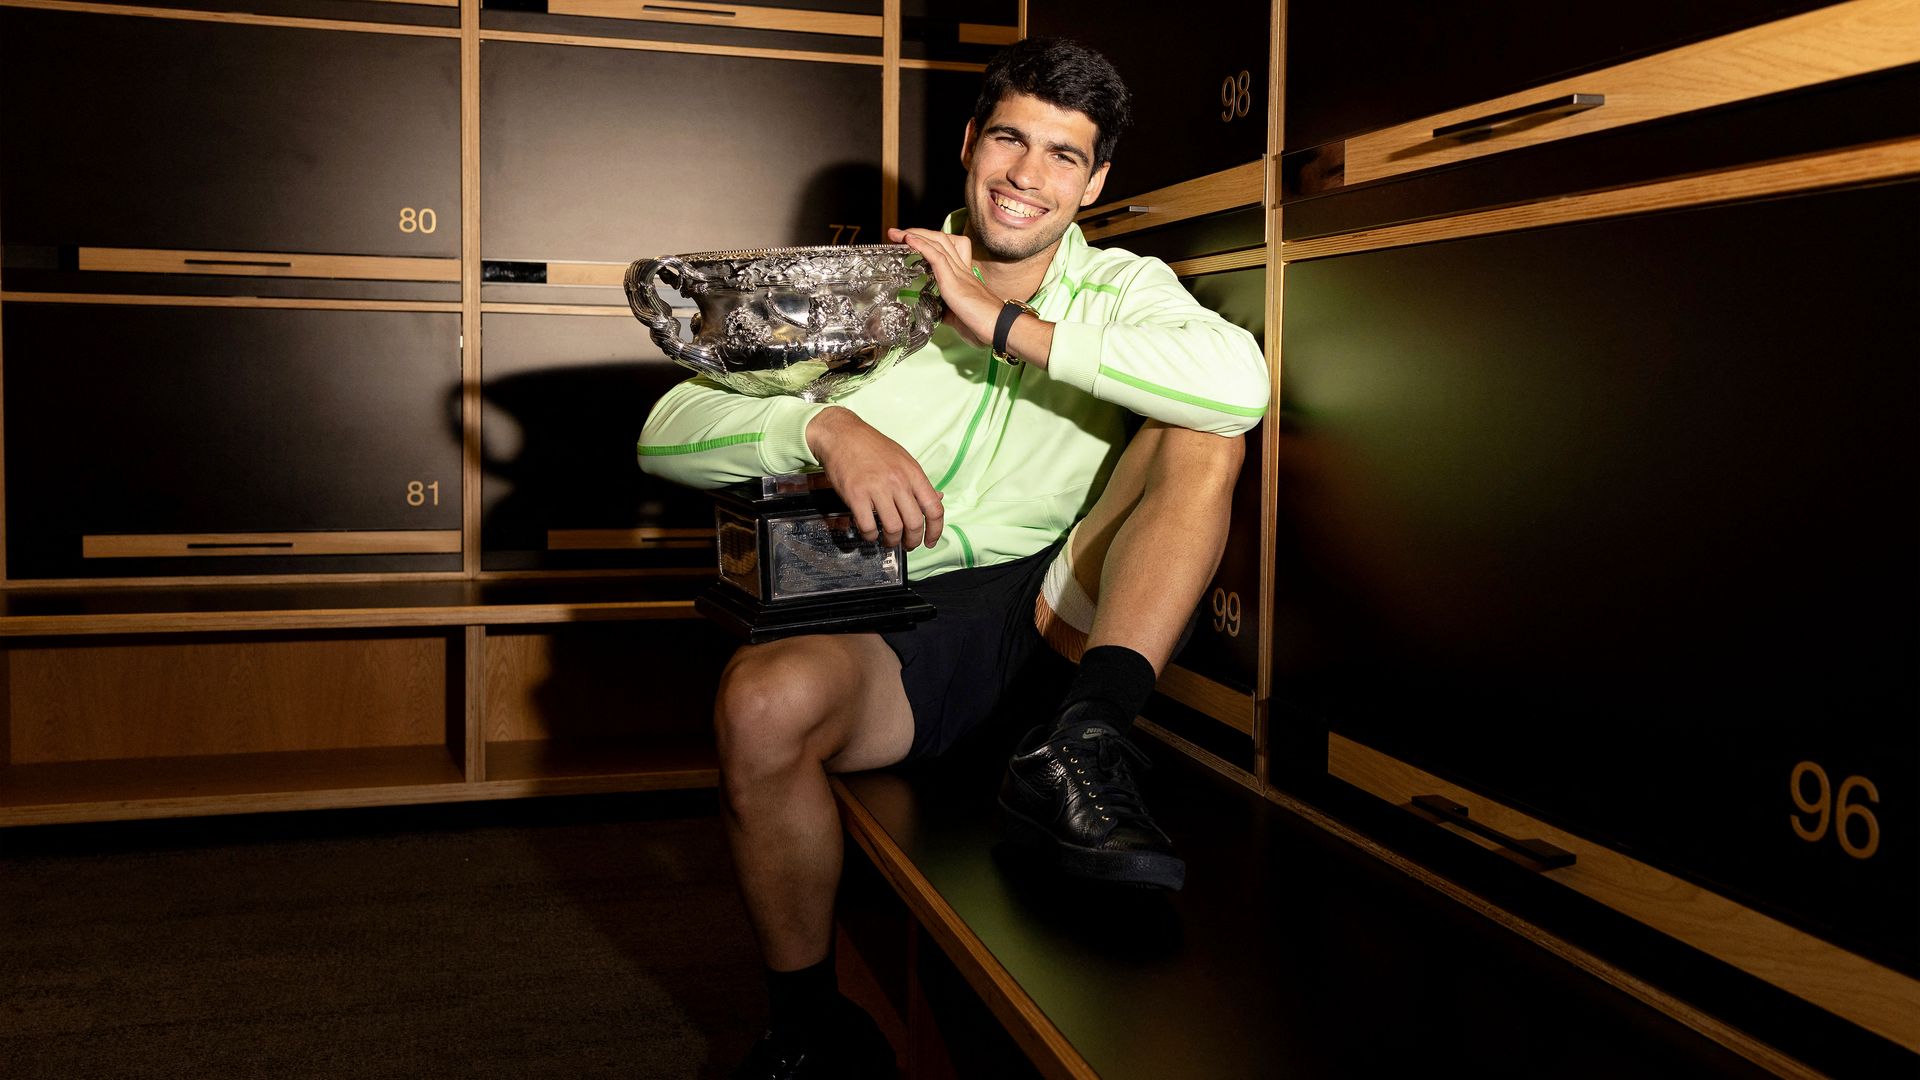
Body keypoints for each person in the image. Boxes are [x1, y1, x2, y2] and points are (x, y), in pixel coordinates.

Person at [637, 37, 1269, 1080]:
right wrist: (824, 432)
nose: (1029, 176)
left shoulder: (1122, 286)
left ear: (1097, 180)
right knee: (757, 707)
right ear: (972, 145)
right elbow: (665, 426)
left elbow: (1236, 386)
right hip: (902, 614)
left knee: (1202, 420)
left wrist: (1004, 321)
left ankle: (1088, 742)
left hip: (1064, 604)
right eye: (1012, 140)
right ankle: (807, 1028)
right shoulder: (867, 285)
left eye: (1065, 155)